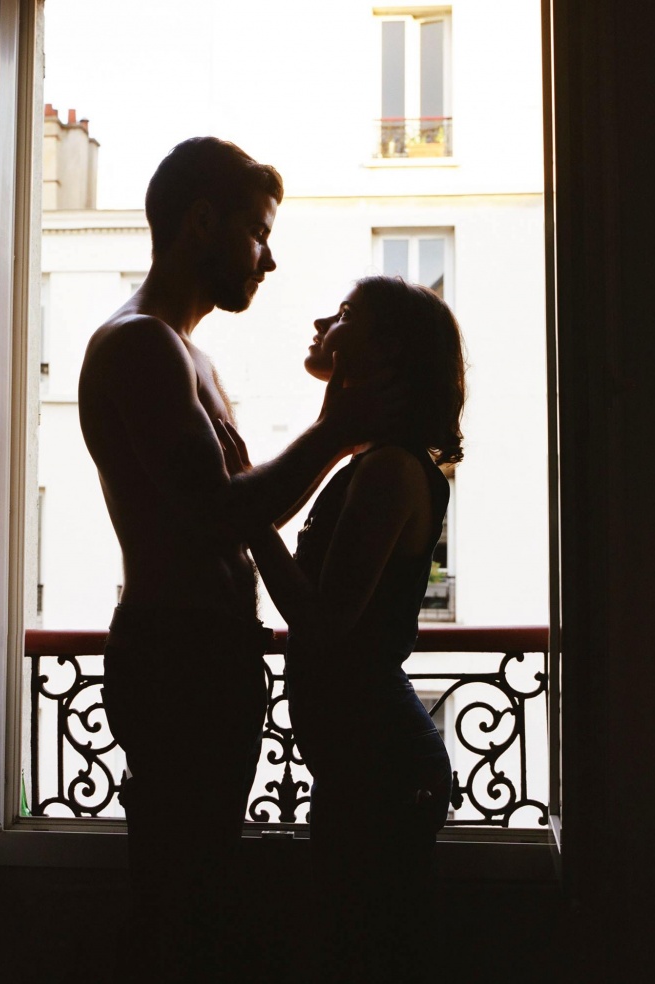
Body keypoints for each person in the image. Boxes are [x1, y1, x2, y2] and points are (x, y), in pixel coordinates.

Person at [77, 138, 400, 979]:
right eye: (258, 233)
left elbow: (235, 508)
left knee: (200, 883)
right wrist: (336, 432)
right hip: (175, 654)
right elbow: (218, 516)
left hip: (205, 653)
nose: (269, 258)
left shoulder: (191, 356)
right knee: (180, 896)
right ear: (200, 222)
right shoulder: (142, 346)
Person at [218, 275, 465, 982]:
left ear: (388, 352)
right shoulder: (373, 461)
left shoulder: (389, 471)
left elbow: (324, 622)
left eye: (347, 313)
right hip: (368, 762)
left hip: (380, 768)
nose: (324, 321)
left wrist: (246, 513)